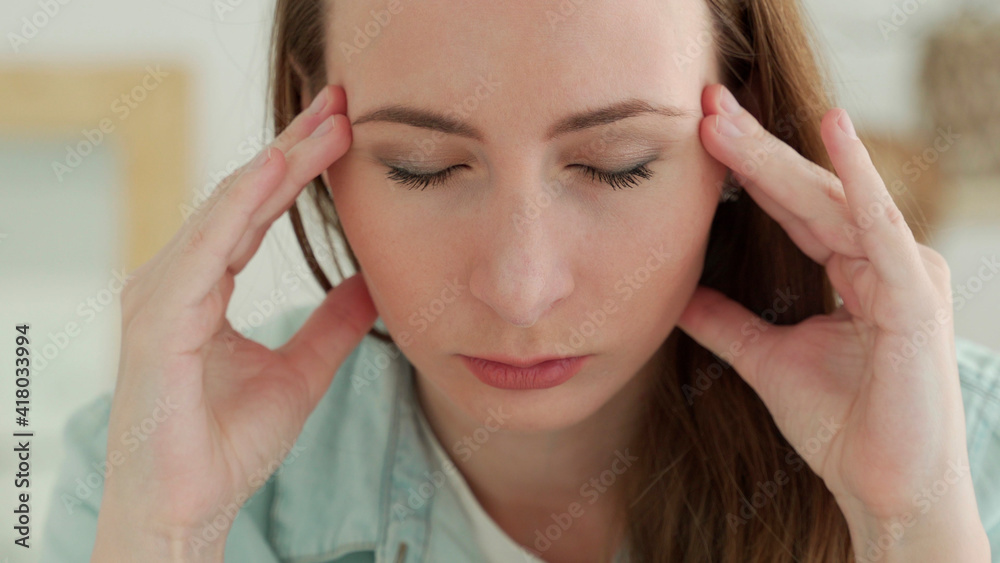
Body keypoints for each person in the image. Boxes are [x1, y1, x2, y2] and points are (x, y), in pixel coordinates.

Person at [40, 0, 1000, 561]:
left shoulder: (971, 455)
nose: (521, 288)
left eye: (617, 162)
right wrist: (164, 537)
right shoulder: (136, 477)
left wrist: (908, 519)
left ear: (741, 141)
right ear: (311, 143)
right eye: (422, 165)